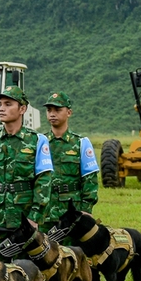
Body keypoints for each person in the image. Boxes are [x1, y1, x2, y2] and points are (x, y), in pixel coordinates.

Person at [0, 85, 52, 252]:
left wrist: (34, 218)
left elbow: (44, 181)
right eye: (0, 104)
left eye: (8, 104)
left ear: (22, 109)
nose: (2, 108)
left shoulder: (36, 141)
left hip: (25, 220)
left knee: (28, 272)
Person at [41, 91, 98, 229]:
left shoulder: (81, 143)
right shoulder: (39, 142)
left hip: (72, 212)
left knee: (73, 250)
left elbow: (90, 180)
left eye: (57, 110)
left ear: (69, 112)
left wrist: (86, 210)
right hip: (45, 213)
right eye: (49, 110)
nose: (52, 114)